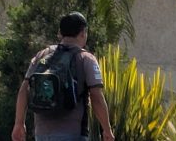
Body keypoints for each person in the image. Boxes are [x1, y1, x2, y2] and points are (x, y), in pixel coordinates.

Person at [11, 11, 115, 141]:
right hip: (74, 134)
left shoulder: (42, 55)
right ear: (83, 33)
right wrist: (107, 129)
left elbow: (24, 89)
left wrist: (19, 124)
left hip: (42, 134)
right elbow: (96, 97)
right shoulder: (86, 59)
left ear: (60, 33)